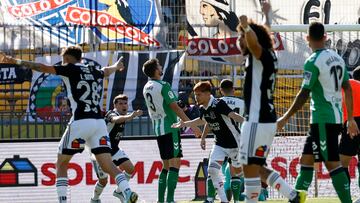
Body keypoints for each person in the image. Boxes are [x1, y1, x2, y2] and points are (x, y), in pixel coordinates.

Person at [0, 46, 138, 203]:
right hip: (98, 123)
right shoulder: (92, 69)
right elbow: (106, 71)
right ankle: (127, 192)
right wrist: (116, 66)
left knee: (62, 162)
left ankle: (63, 201)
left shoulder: (69, 69)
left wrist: (15, 61)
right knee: (109, 166)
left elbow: (41, 67)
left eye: (63, 57)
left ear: (69, 57)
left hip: (80, 122)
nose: (63, 60)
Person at [277, 22, 360, 203]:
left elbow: (304, 93)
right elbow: (347, 88)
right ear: (325, 37)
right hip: (333, 118)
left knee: (332, 163)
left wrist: (284, 118)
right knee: (306, 161)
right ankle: (297, 199)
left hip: (323, 119)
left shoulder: (313, 61)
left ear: (307, 38)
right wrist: (351, 118)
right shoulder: (338, 59)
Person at [237, 5, 306, 202]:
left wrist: (246, 27)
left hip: (257, 121)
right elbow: (262, 35)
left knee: (248, 166)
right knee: (256, 166)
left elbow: (255, 43)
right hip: (266, 122)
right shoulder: (268, 55)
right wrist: (266, 15)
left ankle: (252, 200)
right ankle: (292, 195)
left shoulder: (259, 55)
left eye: (241, 37)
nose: (239, 40)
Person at [172, 81, 244, 203]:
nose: (196, 97)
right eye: (195, 94)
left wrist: (248, 123)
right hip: (219, 144)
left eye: (198, 94)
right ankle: (224, 200)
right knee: (212, 170)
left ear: (207, 94)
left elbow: (233, 115)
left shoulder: (218, 103)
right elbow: (204, 121)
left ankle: (239, 198)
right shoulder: (202, 108)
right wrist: (187, 125)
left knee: (237, 172)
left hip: (235, 143)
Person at [142, 58, 201, 203]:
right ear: (156, 70)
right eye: (159, 65)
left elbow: (167, 104)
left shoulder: (146, 86)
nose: (161, 67)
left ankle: (161, 200)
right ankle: (170, 200)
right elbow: (175, 108)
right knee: (175, 164)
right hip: (171, 127)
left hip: (158, 129)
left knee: (166, 166)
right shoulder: (163, 85)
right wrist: (193, 126)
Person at [90, 94, 143, 203]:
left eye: (125, 103)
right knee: (103, 181)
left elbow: (123, 118)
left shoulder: (124, 115)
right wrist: (130, 116)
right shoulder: (111, 114)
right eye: (120, 103)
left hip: (114, 149)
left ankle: (119, 192)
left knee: (130, 168)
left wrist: (129, 116)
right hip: (101, 151)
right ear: (115, 105)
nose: (124, 106)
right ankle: (95, 199)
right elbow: (115, 119)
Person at [339, 66, 360, 202]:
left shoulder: (348, 85)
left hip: (351, 123)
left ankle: (346, 199)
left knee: (342, 164)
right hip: (353, 120)